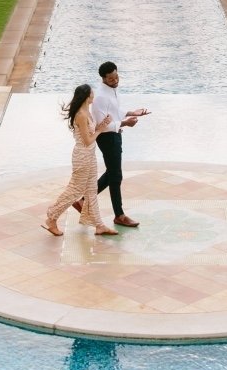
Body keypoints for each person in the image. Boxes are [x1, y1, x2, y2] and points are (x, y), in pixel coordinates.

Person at [43, 84, 117, 237]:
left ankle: (99, 225)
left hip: (90, 156)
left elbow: (91, 133)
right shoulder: (81, 115)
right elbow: (88, 140)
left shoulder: (87, 112)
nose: (94, 95)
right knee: (75, 190)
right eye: (92, 93)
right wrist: (100, 130)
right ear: (86, 97)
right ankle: (51, 217)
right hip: (82, 157)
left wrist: (101, 124)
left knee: (91, 191)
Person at [91, 60, 148, 228]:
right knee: (115, 175)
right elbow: (101, 125)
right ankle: (119, 215)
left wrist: (132, 112)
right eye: (111, 79)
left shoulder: (112, 90)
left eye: (116, 77)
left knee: (113, 174)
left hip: (115, 135)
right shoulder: (100, 97)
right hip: (107, 137)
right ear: (103, 79)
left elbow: (114, 111)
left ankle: (85, 200)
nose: (115, 81)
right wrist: (125, 123)